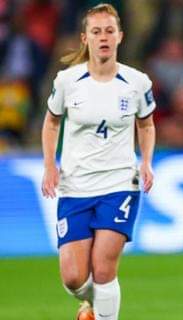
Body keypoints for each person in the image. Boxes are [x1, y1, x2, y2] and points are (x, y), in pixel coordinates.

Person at [41, 4, 156, 320]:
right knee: (74, 277)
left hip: (119, 183)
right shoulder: (67, 81)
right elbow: (51, 122)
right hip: (75, 185)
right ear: (84, 38)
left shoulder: (137, 82)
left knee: (104, 268)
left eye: (109, 31)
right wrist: (50, 164)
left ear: (119, 36)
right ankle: (91, 304)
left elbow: (146, 124)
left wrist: (146, 162)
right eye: (96, 31)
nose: (103, 37)